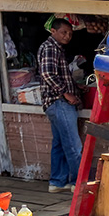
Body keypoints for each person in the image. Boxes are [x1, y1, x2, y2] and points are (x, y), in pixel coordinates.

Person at [37, 18, 83, 194]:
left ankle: (57, 182)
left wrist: (76, 87)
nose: (67, 36)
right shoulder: (50, 48)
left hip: (55, 103)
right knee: (73, 145)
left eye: (70, 33)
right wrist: (66, 93)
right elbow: (48, 74)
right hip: (59, 102)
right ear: (53, 31)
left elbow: (56, 75)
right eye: (64, 32)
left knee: (60, 144)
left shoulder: (56, 49)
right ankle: (79, 183)